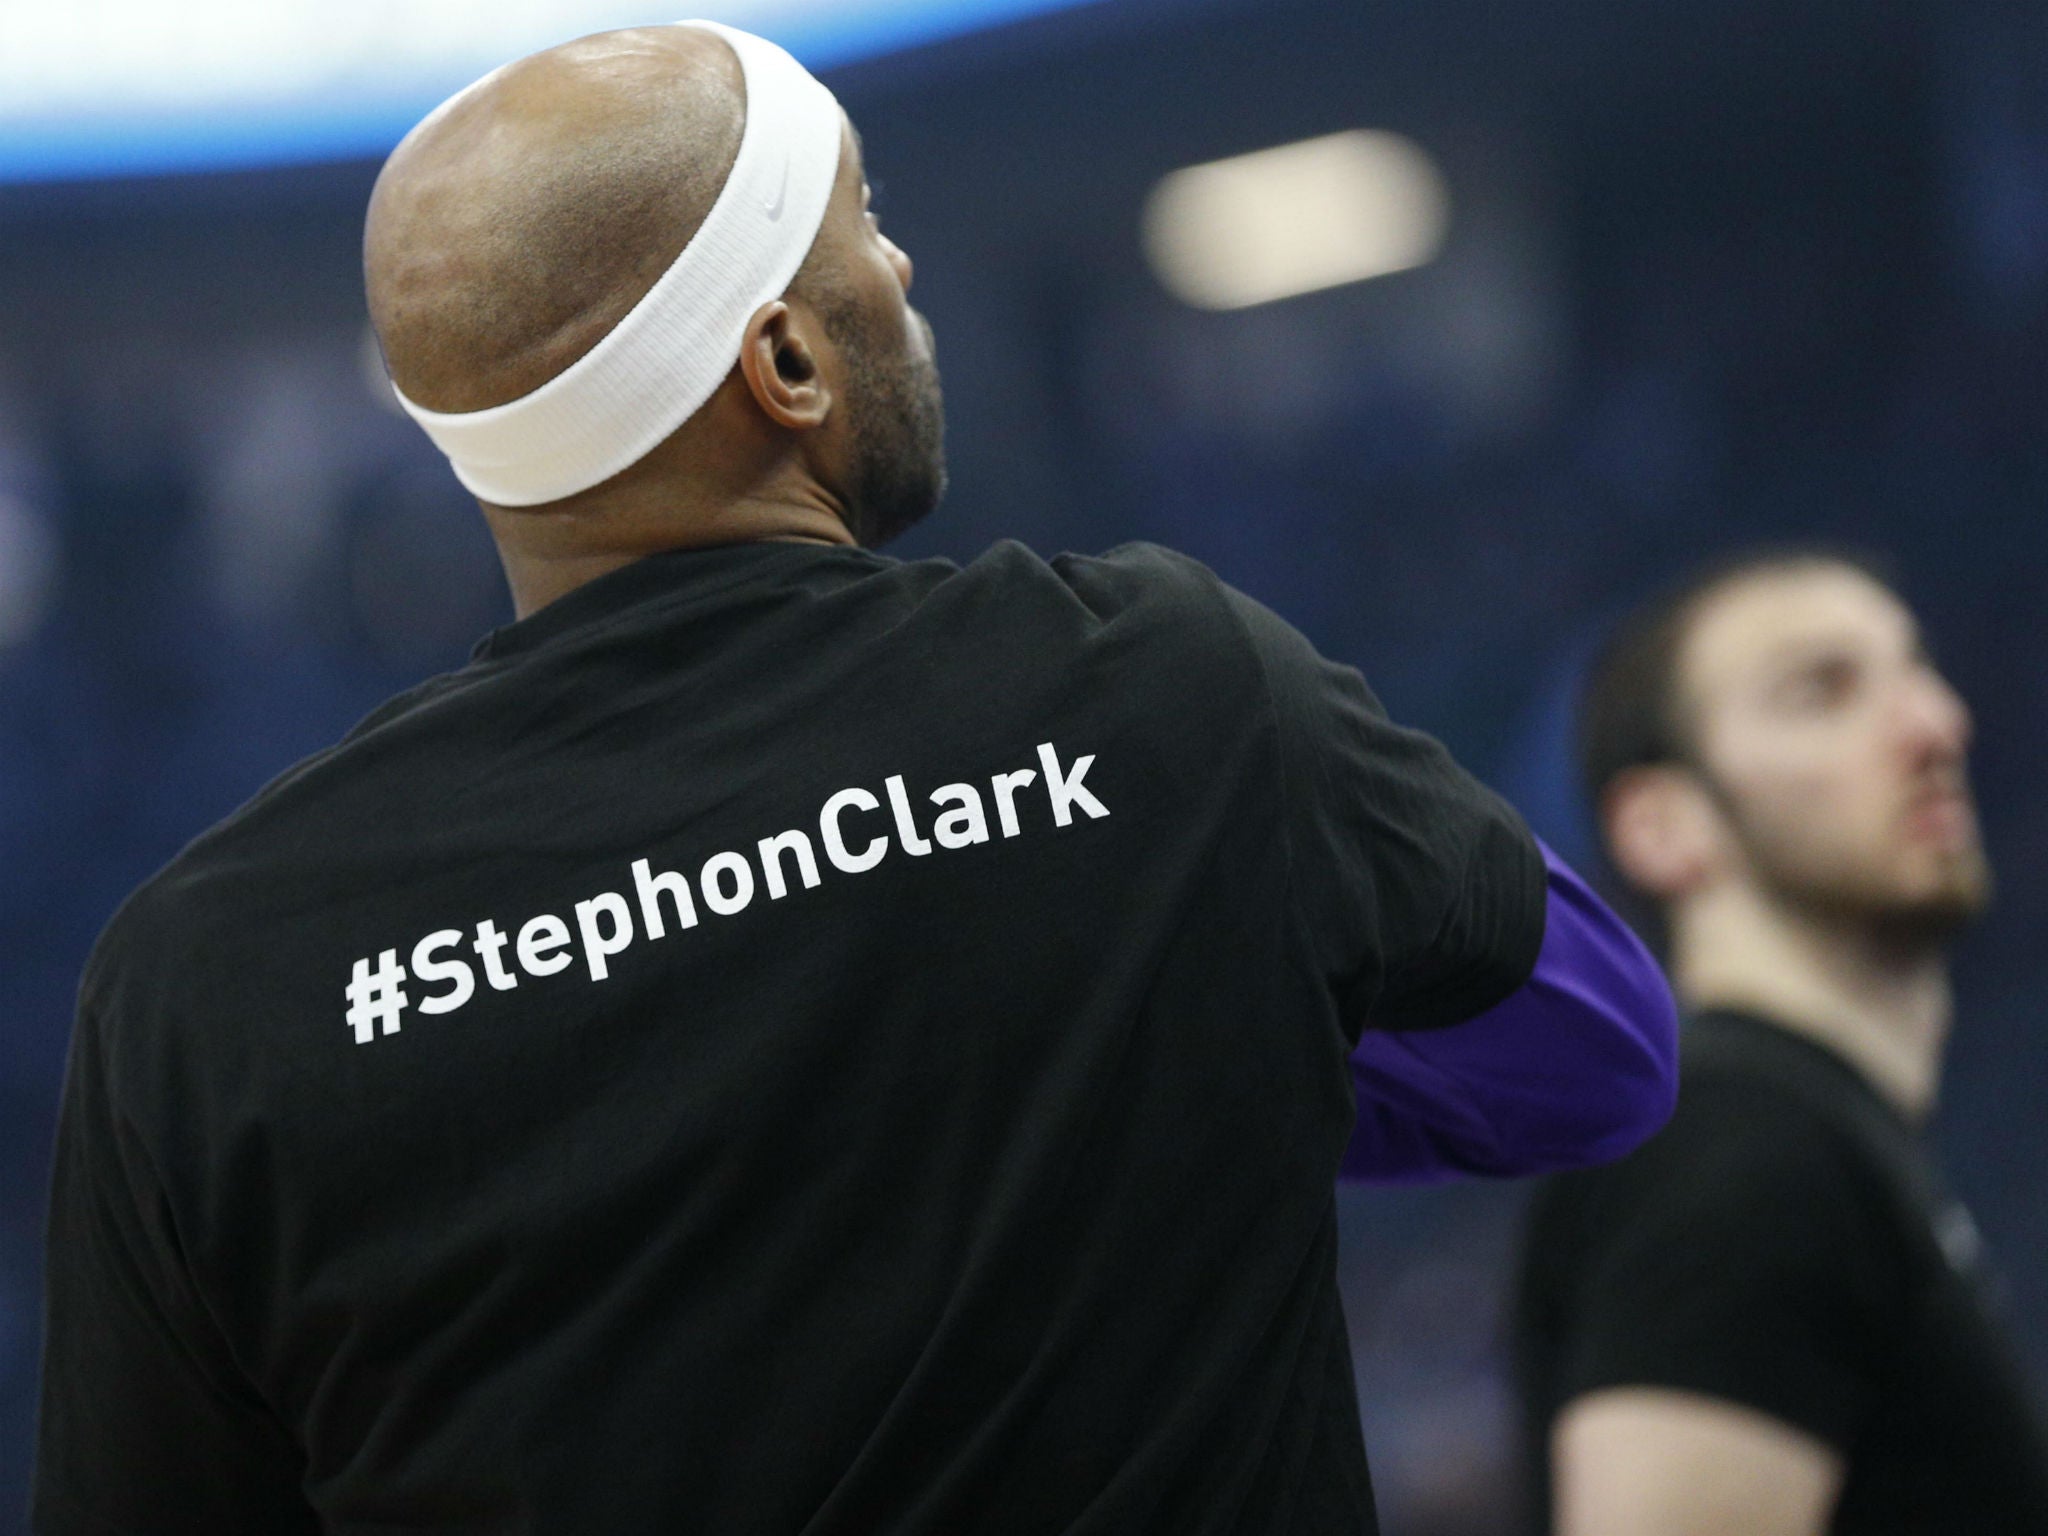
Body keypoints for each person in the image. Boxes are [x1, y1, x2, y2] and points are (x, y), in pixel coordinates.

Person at [33, 22, 1676, 1535]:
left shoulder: (206, 975)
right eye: (861, 227)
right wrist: (1174, 1070)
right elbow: (1597, 1049)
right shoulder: (1152, 688)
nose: (896, 263)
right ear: (788, 366)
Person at [1514, 551, 2048, 1535]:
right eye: (1822, 691)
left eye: (1915, 671)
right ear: (1664, 826)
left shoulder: (1814, 1147)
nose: (1933, 726)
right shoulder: (1735, 1148)